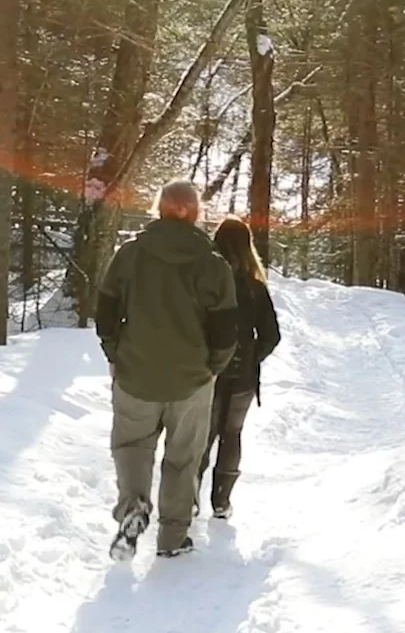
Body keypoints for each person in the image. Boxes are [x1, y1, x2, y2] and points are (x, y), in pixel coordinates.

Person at [95, 180, 237, 560]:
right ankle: (173, 537)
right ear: (196, 213)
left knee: (131, 446)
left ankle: (133, 510)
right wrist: (213, 368)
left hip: (135, 373)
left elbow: (106, 311)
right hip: (192, 379)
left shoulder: (130, 255)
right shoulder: (213, 264)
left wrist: (115, 352)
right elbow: (226, 328)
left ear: (158, 209)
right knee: (183, 457)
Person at [196, 215, 280, 519]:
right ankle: (221, 502)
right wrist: (250, 358)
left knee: (203, 435)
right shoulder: (254, 286)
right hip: (243, 376)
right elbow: (272, 335)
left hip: (207, 372)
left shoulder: (205, 282)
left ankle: (190, 499)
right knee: (232, 434)